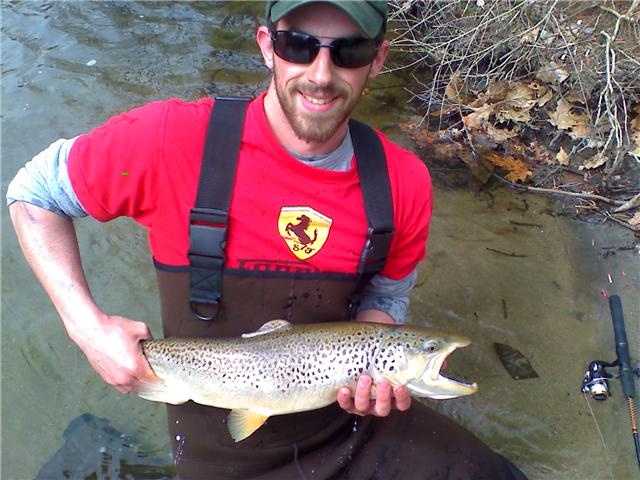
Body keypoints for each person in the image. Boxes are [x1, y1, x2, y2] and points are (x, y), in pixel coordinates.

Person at [7, 1, 526, 479]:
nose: (321, 75)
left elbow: (385, 296)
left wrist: (375, 361)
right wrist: (89, 329)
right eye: (298, 46)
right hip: (218, 442)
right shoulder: (171, 139)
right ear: (265, 46)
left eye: (349, 51)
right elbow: (34, 194)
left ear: (378, 59)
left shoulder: (403, 181)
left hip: (348, 428)